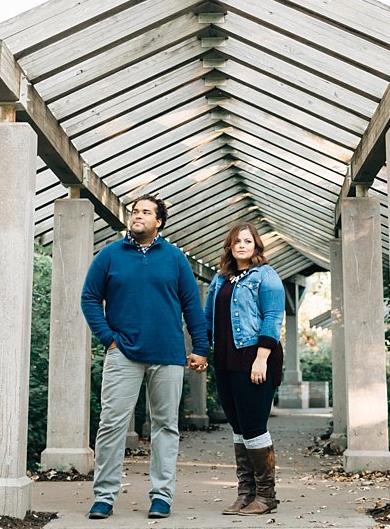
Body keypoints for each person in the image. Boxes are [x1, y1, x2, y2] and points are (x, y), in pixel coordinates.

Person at [80, 195, 208, 520]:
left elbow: (192, 305)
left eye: (146, 212)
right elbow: (90, 298)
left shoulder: (175, 258)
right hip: (123, 353)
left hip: (167, 354)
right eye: (135, 211)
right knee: (111, 424)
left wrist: (200, 349)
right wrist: (108, 340)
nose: (138, 216)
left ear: (159, 221)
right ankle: (104, 497)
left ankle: (162, 496)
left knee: (165, 425)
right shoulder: (109, 255)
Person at [204, 222, 285, 515]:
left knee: (253, 427)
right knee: (238, 428)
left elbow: (273, 316)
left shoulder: (266, 275)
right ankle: (245, 493)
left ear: (256, 246)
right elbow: (208, 317)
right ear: (230, 246)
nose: (241, 245)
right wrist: (202, 351)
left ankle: (266, 496)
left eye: (247, 241)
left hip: (254, 357)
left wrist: (261, 359)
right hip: (226, 359)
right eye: (236, 241)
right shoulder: (220, 279)